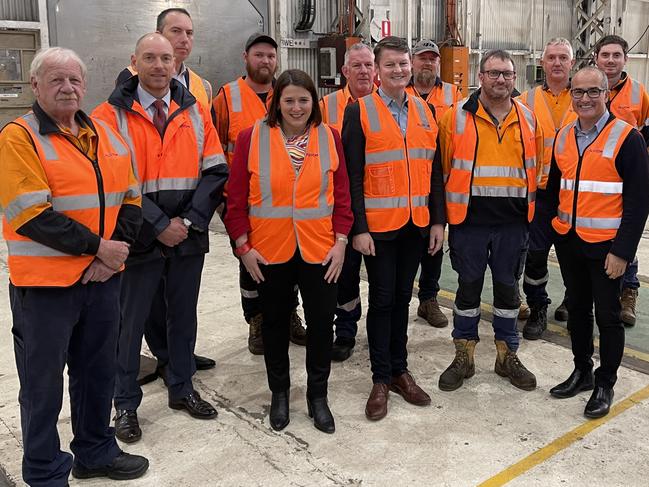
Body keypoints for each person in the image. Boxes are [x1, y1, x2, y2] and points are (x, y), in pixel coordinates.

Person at [0, 47, 148, 485]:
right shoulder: (18, 138)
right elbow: (30, 215)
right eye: (56, 80)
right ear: (36, 86)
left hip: (100, 282)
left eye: (74, 80)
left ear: (85, 86)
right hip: (45, 289)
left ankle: (95, 451)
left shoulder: (106, 133)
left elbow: (132, 199)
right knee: (43, 386)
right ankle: (45, 471)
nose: (67, 88)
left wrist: (113, 252)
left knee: (97, 372)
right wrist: (101, 250)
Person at [92, 33, 228, 442]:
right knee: (128, 324)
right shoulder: (107, 115)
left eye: (165, 58)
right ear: (134, 61)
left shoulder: (196, 111)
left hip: (187, 235)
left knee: (182, 317)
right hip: (135, 236)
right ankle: (125, 404)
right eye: (149, 58)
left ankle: (182, 389)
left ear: (175, 64)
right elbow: (112, 181)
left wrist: (186, 222)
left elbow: (216, 170)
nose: (158, 66)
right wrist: (157, 225)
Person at [224, 69, 353, 434]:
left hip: (321, 251)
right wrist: (243, 248)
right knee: (276, 326)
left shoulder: (330, 138)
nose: (296, 107)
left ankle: (317, 396)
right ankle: (279, 394)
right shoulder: (253, 138)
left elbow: (342, 198)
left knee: (320, 324)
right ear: (276, 102)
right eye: (289, 100)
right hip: (268, 253)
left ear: (314, 102)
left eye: (303, 100)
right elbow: (235, 201)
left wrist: (341, 242)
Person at [343, 36, 445, 421]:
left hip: (416, 225)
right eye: (390, 65)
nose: (399, 70)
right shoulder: (360, 111)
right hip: (379, 229)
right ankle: (380, 378)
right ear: (376, 70)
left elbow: (433, 170)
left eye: (404, 63)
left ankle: (400, 370)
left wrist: (437, 220)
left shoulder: (424, 111)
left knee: (403, 299)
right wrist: (359, 228)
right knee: (383, 300)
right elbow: (352, 176)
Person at [437, 49, 543, 393]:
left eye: (507, 74)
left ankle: (506, 355)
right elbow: (443, 170)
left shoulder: (528, 120)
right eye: (493, 73)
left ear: (515, 79)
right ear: (479, 76)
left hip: (513, 226)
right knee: (467, 289)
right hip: (469, 224)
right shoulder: (455, 118)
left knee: (508, 292)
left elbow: (536, 170)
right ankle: (463, 354)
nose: (500, 80)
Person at [546, 66, 649, 418]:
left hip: (607, 247)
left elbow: (638, 203)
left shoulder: (627, 138)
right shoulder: (562, 137)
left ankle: (606, 383)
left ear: (606, 94)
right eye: (578, 92)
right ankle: (582, 372)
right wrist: (549, 230)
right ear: (570, 95)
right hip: (570, 242)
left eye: (593, 92)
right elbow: (553, 191)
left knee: (607, 317)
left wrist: (622, 252)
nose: (585, 99)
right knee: (576, 311)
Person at [214, 33, 307, 355]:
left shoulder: (286, 94)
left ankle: (289, 312)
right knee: (250, 266)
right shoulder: (226, 97)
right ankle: (256, 319)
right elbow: (213, 152)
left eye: (270, 55)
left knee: (290, 262)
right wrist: (225, 203)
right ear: (245, 57)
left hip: (285, 204)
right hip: (242, 203)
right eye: (259, 55)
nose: (265, 61)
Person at [517, 38, 577, 339]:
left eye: (562, 57)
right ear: (542, 63)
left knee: (576, 255)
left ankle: (575, 302)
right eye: (551, 57)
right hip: (539, 194)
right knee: (537, 255)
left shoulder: (585, 97)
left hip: (575, 194)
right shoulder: (525, 101)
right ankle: (538, 307)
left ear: (572, 62)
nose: (556, 63)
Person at [319, 42, 376, 362]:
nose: (364, 71)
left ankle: (385, 330)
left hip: (380, 205)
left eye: (369, 65)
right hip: (340, 205)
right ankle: (346, 331)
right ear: (344, 71)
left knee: (383, 275)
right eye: (357, 66)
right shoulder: (326, 107)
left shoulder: (389, 105)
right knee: (344, 274)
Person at [406, 39, 463, 329]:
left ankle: (428, 299)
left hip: (441, 183)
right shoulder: (397, 92)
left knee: (434, 243)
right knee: (405, 245)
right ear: (412, 62)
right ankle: (400, 297)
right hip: (407, 182)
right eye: (422, 58)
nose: (427, 63)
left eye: (432, 59)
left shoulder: (453, 94)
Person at [593, 34, 649, 327]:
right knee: (596, 238)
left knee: (627, 235)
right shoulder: (587, 89)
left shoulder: (640, 94)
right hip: (596, 179)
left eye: (617, 55)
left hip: (627, 178)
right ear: (596, 58)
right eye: (605, 55)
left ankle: (629, 291)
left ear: (625, 59)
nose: (611, 61)